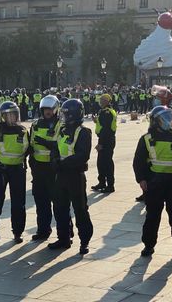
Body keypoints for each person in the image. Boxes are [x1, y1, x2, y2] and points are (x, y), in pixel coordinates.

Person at [133, 106, 172, 260]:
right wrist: (141, 179)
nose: (169, 122)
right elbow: (138, 161)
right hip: (154, 182)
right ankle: (149, 245)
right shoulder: (146, 139)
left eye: (169, 118)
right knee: (152, 215)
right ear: (155, 122)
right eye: (164, 119)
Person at [48, 98, 93, 255]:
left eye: (66, 114)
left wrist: (63, 163)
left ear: (74, 115)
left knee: (80, 210)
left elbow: (82, 155)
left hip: (75, 176)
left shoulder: (84, 132)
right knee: (60, 208)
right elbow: (55, 147)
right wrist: (53, 159)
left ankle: (84, 242)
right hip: (61, 175)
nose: (63, 117)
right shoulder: (62, 130)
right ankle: (63, 238)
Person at [0, 101, 29, 244]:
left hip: (18, 170)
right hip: (0, 170)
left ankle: (17, 232)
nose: (11, 118)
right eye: (8, 115)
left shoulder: (23, 130)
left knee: (18, 203)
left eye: (14, 115)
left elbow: (28, 149)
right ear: (2, 116)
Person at [29, 95, 61, 241]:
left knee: (59, 203)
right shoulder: (35, 124)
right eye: (45, 109)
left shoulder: (61, 124)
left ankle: (65, 232)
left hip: (53, 167)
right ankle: (43, 230)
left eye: (49, 109)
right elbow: (30, 144)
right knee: (41, 202)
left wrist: (44, 142)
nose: (47, 112)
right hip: (38, 168)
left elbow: (60, 145)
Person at [91, 93, 117, 193]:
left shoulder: (107, 112)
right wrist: (96, 121)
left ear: (106, 101)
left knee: (107, 163)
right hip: (105, 138)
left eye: (101, 100)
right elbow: (104, 124)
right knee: (101, 163)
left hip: (106, 140)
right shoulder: (106, 111)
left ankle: (110, 185)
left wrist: (101, 143)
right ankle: (102, 182)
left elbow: (106, 129)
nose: (100, 102)